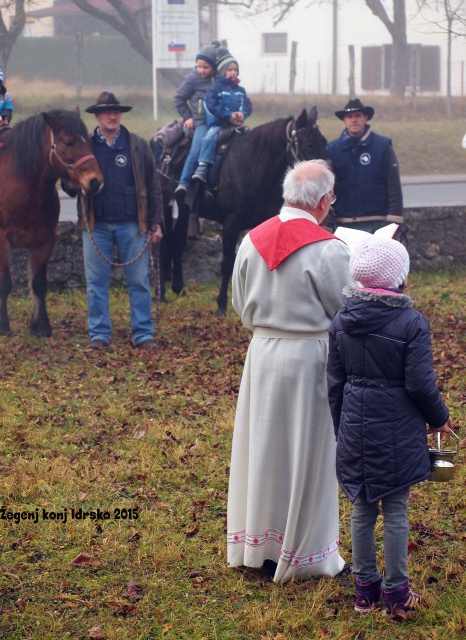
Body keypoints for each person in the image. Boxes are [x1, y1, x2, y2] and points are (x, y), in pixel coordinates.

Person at [227, 159, 354, 583]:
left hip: (262, 352)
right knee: (309, 453)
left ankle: (261, 547)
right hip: (310, 357)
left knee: (264, 451)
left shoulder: (251, 240)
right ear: (322, 201)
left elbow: (239, 301)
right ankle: (309, 555)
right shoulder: (328, 248)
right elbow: (345, 310)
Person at [327, 236, 452, 618]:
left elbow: (334, 381)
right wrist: (440, 416)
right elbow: (419, 383)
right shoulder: (411, 322)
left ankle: (365, 591)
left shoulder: (342, 319)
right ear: (399, 278)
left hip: (354, 427)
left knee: (362, 509)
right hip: (397, 429)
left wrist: (342, 426)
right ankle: (397, 591)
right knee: (396, 509)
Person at [65, 91, 163, 350]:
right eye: (107, 112)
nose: (112, 116)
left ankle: (143, 334)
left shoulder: (137, 144)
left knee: (139, 282)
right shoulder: (84, 146)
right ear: (96, 116)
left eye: (116, 111)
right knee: (96, 284)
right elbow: (70, 186)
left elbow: (153, 185)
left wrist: (156, 222)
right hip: (96, 226)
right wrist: (70, 179)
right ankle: (99, 336)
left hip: (133, 224)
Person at [327, 98, 403, 232]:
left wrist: (394, 218)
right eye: (349, 116)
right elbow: (327, 186)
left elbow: (393, 184)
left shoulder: (383, 146)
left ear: (366, 118)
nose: (353, 120)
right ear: (344, 120)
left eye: (358, 116)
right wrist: (328, 209)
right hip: (342, 224)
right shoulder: (332, 149)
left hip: (376, 223)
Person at [191, 48, 252, 183]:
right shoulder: (216, 88)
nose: (233, 72)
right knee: (208, 138)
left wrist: (242, 113)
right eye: (230, 70)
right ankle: (203, 166)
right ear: (223, 72)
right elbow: (213, 105)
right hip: (220, 125)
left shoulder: (241, 90)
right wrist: (228, 115)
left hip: (237, 124)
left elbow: (247, 105)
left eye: (235, 70)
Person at [173, 40, 220, 199]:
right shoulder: (193, 78)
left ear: (214, 67)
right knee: (196, 148)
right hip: (202, 122)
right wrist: (188, 116)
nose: (201, 70)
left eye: (205, 67)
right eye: (199, 66)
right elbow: (179, 97)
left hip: (221, 121)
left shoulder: (220, 78)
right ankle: (184, 183)